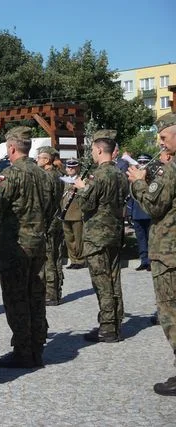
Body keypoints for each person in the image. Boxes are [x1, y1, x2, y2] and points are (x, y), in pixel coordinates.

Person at [0, 126, 53, 368]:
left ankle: (22, 350)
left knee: (16, 297)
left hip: (16, 245)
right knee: (36, 296)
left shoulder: (11, 175)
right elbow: (51, 209)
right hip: (39, 242)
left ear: (11, 148)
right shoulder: (44, 175)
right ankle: (37, 347)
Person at [127, 112, 176, 396]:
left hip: (169, 254)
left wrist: (138, 182)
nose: (160, 142)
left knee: (170, 314)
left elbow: (155, 207)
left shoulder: (171, 170)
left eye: (164, 136)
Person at [74, 129, 128, 343]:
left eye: (93, 151)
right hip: (114, 231)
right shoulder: (120, 174)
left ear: (98, 150)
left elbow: (87, 203)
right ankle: (116, 321)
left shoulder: (99, 175)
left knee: (101, 281)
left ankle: (107, 327)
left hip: (97, 234)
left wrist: (81, 188)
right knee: (114, 279)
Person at [37, 146, 65, 305]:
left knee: (48, 258)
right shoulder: (58, 175)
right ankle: (56, 289)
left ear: (47, 160)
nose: (37, 160)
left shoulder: (48, 177)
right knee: (56, 256)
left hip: (48, 221)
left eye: (40, 157)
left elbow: (45, 202)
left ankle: (50, 293)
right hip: (57, 218)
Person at [127, 154, 153, 271]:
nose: (142, 165)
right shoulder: (134, 179)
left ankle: (151, 261)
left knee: (150, 239)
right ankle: (144, 260)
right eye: (140, 162)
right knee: (141, 239)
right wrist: (129, 212)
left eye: (144, 162)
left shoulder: (152, 178)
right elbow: (131, 196)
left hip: (149, 213)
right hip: (137, 213)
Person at [61, 159, 85, 269]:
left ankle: (80, 260)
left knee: (78, 238)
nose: (70, 169)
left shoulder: (82, 180)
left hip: (77, 213)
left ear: (77, 168)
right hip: (65, 213)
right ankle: (73, 259)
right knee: (69, 239)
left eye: (73, 167)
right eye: (68, 167)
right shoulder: (64, 180)